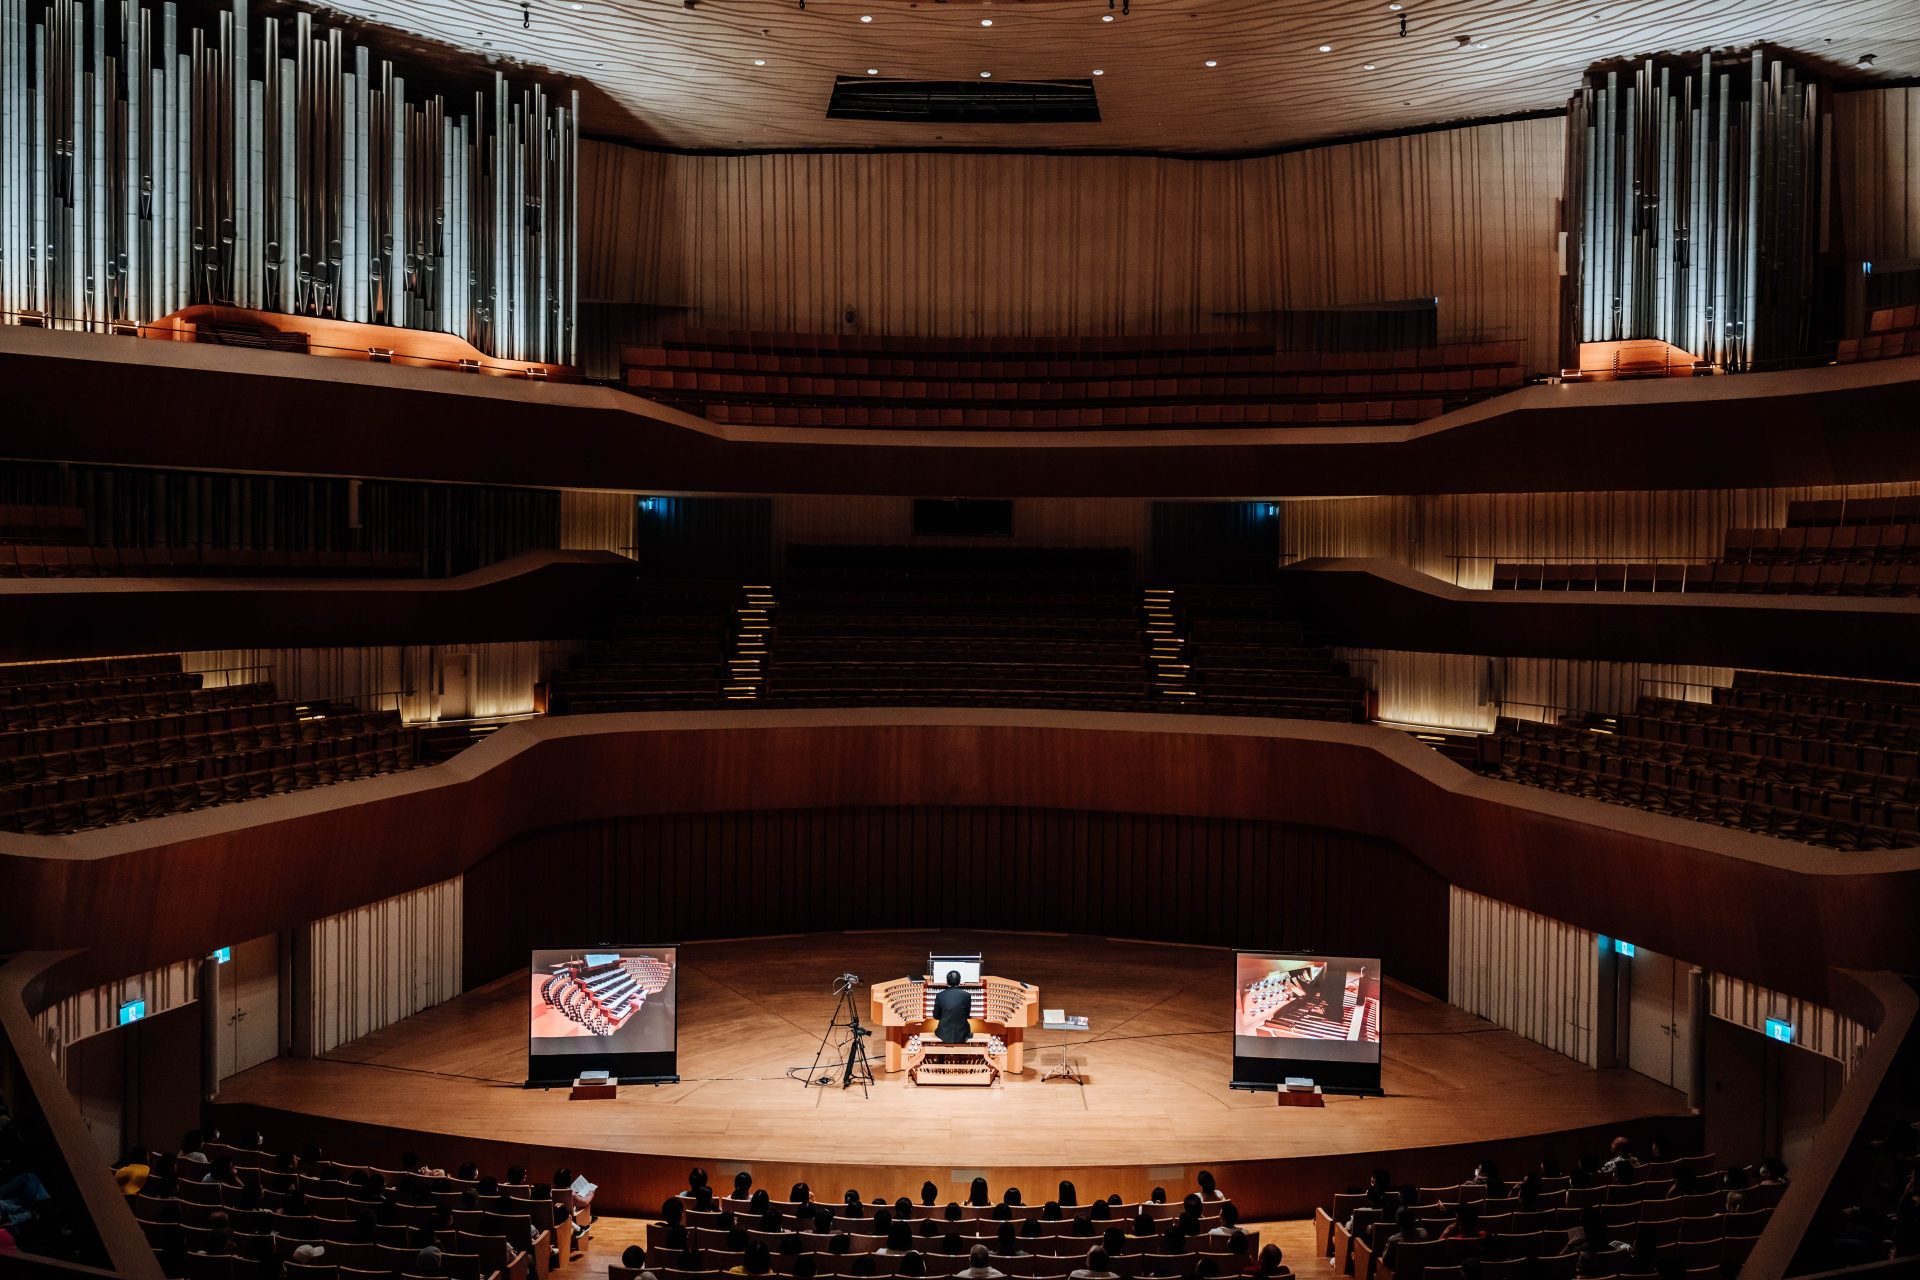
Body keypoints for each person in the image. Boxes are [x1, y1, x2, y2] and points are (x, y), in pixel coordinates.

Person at [936, 972, 974, 1045]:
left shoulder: (940, 995)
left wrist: (946, 1015)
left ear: (947, 981)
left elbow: (935, 1016)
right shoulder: (967, 995)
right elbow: (967, 1014)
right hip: (962, 1033)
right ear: (959, 981)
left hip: (944, 1033)